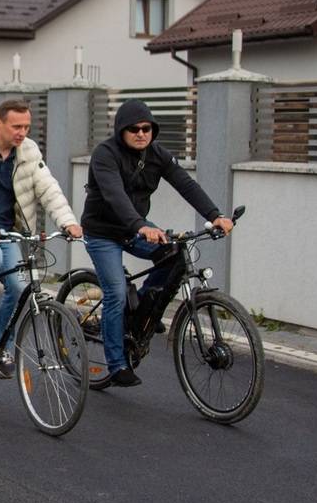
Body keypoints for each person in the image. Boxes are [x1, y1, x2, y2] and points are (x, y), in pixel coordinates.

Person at [81, 99, 234, 388]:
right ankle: (116, 365)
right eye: (134, 129)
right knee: (114, 291)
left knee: (174, 254)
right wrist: (140, 225)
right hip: (103, 232)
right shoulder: (105, 154)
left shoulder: (156, 154)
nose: (141, 134)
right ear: (120, 130)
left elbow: (185, 184)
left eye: (147, 128)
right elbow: (115, 195)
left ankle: (144, 313)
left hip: (135, 226)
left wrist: (215, 215)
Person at [0, 99, 82, 374]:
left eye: (27, 127)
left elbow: (48, 188)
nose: (22, 132)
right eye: (16, 126)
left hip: (7, 231)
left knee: (19, 287)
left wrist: (68, 221)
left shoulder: (28, 150)